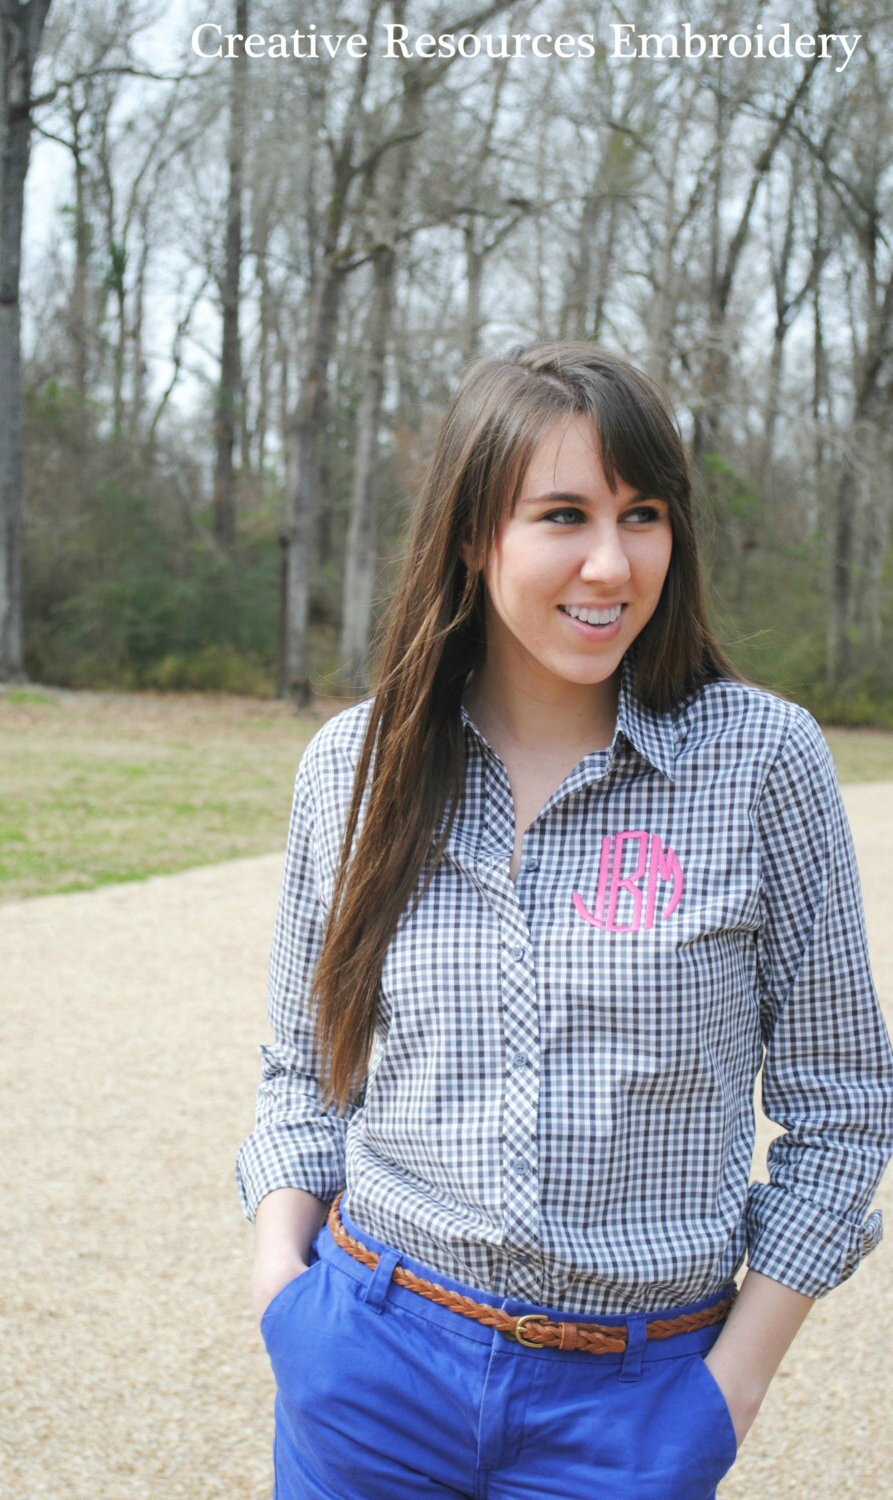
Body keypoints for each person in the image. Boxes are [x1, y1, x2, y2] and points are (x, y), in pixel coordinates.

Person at [235, 342, 893, 1499]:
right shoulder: (354, 765)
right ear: (470, 534)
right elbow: (303, 1066)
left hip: (633, 1410)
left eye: (640, 513)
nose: (609, 561)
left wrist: (726, 1387)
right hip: (369, 1364)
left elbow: (842, 1110)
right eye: (559, 514)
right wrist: (282, 1293)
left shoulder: (761, 764)